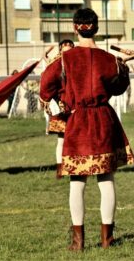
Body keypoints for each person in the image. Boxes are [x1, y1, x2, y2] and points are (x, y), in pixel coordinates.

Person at [40, 8, 134, 251]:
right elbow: (118, 88)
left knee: (77, 183)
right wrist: (123, 64)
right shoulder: (109, 59)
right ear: (97, 28)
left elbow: (45, 88)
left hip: (78, 122)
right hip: (104, 119)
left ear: (75, 28)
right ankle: (107, 239)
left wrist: (60, 109)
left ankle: (78, 242)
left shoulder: (64, 59)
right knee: (106, 180)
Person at [40, 39, 75, 175]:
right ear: (60, 50)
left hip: (73, 105)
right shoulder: (56, 63)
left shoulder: (74, 62)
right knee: (62, 139)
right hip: (62, 106)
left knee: (74, 139)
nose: (67, 50)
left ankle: (73, 166)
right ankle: (60, 169)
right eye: (64, 47)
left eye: (69, 47)